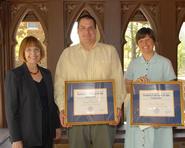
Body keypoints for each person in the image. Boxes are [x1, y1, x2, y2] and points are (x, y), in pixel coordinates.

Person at [54, 14, 126, 148]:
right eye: (83, 28)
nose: (87, 32)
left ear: (96, 29)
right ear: (77, 31)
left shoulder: (110, 51)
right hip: (75, 117)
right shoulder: (67, 54)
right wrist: (63, 109)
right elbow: (59, 84)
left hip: (105, 117)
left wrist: (117, 108)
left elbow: (118, 81)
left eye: (90, 28)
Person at [5, 36, 61, 148]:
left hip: (47, 133)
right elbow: (11, 110)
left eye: (36, 49)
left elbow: (52, 103)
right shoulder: (15, 75)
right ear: (23, 52)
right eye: (28, 50)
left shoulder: (47, 74)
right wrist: (16, 139)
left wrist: (56, 126)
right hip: (27, 136)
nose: (33, 53)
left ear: (41, 52)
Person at [124, 27, 176, 148]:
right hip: (137, 113)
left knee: (158, 143)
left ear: (154, 41)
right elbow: (127, 89)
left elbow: (173, 91)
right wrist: (135, 84)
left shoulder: (165, 62)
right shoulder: (133, 64)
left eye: (147, 40)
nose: (144, 44)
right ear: (137, 44)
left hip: (159, 113)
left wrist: (161, 116)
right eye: (141, 41)